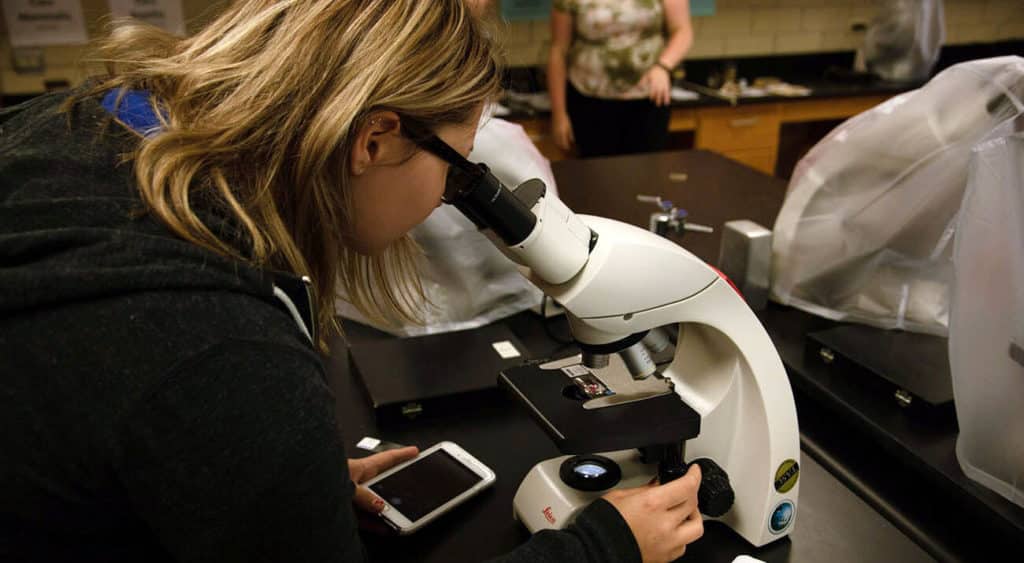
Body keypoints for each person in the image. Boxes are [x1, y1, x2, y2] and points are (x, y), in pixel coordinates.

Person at [0, 1, 703, 562]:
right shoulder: (223, 348)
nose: (446, 197)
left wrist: (261, 484)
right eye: (456, 171)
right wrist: (602, 545)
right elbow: (197, 369)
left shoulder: (95, 119)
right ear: (376, 139)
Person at [548, 0, 694, 158]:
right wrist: (559, 114)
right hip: (589, 100)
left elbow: (682, 31)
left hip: (649, 99)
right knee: (595, 174)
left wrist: (663, 66)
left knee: (645, 172)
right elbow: (558, 49)